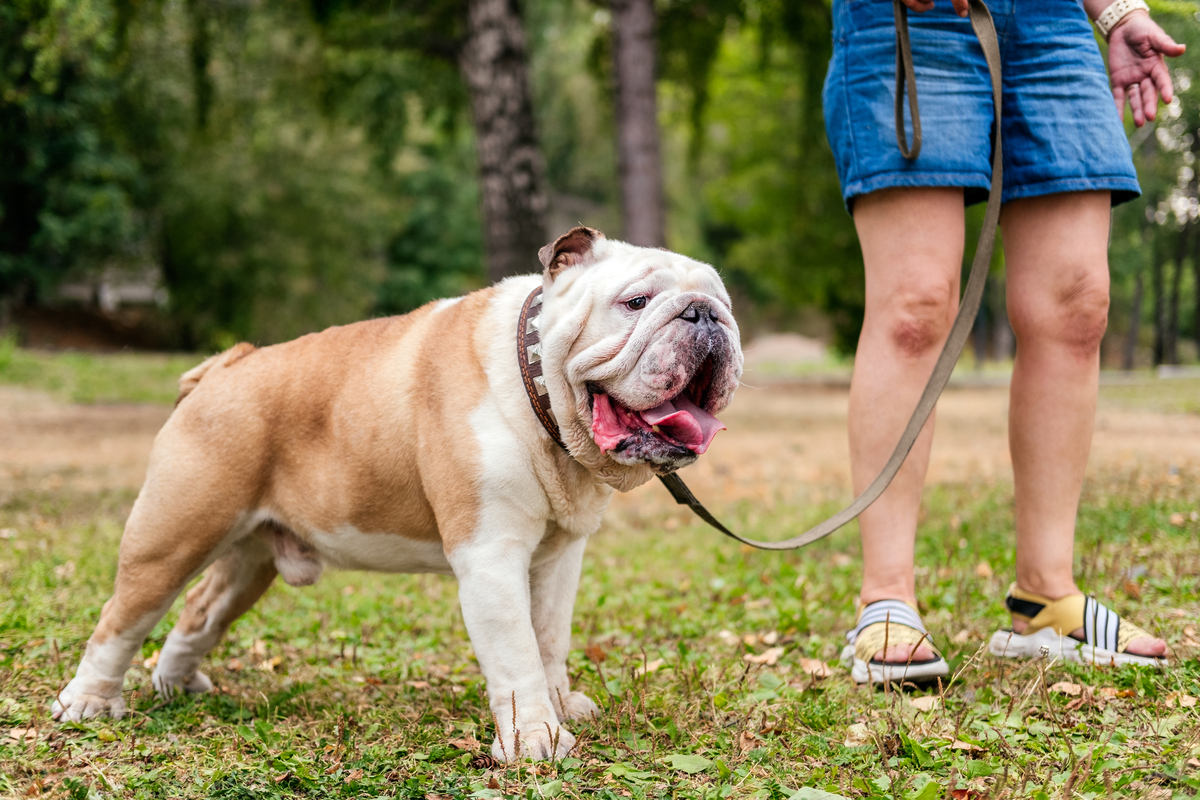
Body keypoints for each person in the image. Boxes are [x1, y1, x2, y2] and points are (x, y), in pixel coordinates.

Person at [822, 0, 1184, 684]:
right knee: (916, 305)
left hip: (1053, 27)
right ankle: (886, 596)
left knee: (1077, 303)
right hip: (913, 21)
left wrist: (1113, 13)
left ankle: (1045, 597)